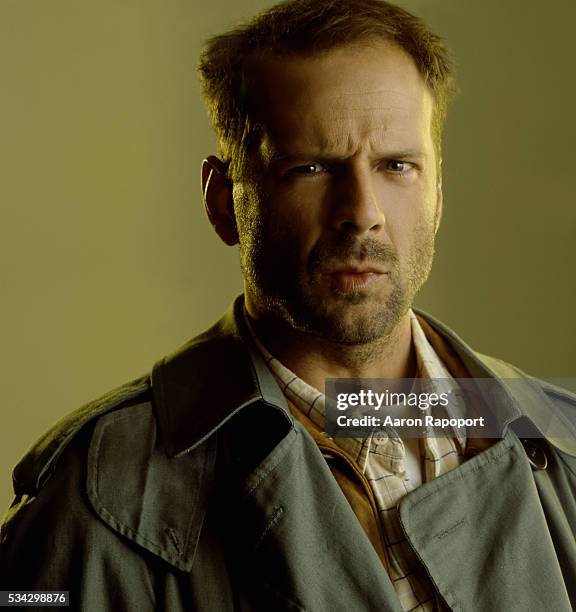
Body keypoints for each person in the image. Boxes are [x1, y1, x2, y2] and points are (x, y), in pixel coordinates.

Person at [1, 0, 575, 610]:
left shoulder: (560, 441)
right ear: (224, 203)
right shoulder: (97, 495)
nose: (362, 212)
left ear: (438, 196)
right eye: (310, 168)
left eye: (397, 166)